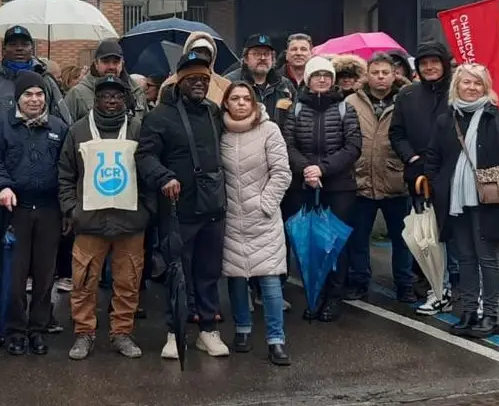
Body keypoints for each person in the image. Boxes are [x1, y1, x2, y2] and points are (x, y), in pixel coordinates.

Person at [137, 51, 231, 360]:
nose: (199, 84)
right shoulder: (159, 116)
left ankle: (207, 329)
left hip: (213, 207)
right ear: (179, 80)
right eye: (192, 79)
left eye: (204, 79)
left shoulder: (213, 112)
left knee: (208, 271)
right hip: (178, 209)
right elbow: (145, 156)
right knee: (177, 272)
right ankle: (173, 332)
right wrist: (163, 177)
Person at [424, 63, 499, 338]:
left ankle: (490, 316)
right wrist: (435, 187)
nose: (471, 88)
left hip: (489, 200)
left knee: (488, 259)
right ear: (456, 86)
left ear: (485, 87)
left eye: (477, 83)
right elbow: (433, 157)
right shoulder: (446, 119)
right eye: (466, 82)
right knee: (465, 259)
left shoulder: (498, 118)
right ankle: (469, 312)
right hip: (454, 202)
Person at [58, 75, 149, 360]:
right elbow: (65, 174)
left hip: (130, 222)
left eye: (118, 96)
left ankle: (122, 332)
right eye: (106, 96)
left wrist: (146, 210)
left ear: (125, 99)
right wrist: (72, 209)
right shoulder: (78, 130)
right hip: (90, 223)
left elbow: (149, 171)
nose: (112, 101)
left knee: (128, 282)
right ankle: (84, 333)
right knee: (83, 281)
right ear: (95, 99)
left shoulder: (137, 128)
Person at [0, 70, 68, 356]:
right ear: (18, 98)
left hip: (49, 211)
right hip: (14, 210)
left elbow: (68, 169)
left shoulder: (58, 128)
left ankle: (38, 329)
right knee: (14, 277)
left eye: (39, 94)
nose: (34, 99)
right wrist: (2, 187)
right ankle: (15, 330)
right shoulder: (1, 127)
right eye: (28, 94)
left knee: (45, 276)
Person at [281, 56, 362, 322]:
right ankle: (314, 295)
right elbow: (288, 144)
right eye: (317, 75)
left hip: (339, 187)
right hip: (303, 185)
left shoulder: (345, 109)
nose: (322, 80)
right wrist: (306, 169)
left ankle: (333, 298)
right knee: (309, 244)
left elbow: (353, 147)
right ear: (308, 79)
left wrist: (323, 169)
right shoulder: (295, 109)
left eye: (327, 76)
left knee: (335, 244)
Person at [219, 82, 292, 366]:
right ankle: (243, 330)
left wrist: (265, 204)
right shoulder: (220, 132)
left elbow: (282, 172)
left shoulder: (269, 130)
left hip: (263, 217)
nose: (240, 103)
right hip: (231, 217)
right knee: (237, 278)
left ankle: (276, 340)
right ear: (226, 103)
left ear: (253, 102)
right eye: (234, 98)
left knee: (270, 280)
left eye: (246, 98)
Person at [389, 41, 456, 315]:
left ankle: (459, 289)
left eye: (434, 62)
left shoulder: (457, 92)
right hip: (419, 177)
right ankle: (437, 289)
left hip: (452, 175)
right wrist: (411, 157)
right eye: (424, 63)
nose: (429, 67)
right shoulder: (407, 95)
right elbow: (397, 133)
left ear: (443, 64)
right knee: (428, 237)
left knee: (454, 236)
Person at [344, 53, 414, 304]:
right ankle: (359, 281)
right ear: (367, 75)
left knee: (402, 240)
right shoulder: (351, 101)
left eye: (386, 72)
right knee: (358, 238)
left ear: (394, 74)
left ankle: (405, 284)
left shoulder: (407, 100)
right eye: (375, 72)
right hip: (360, 181)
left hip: (396, 180)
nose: (381, 77)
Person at [0, 25, 66, 121]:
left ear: (32, 48)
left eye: (25, 44)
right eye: (13, 44)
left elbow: (61, 118)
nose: (19, 48)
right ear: (4, 48)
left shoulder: (45, 79)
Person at [60, 40, 148, 125]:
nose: (111, 67)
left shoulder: (135, 92)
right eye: (105, 62)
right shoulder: (78, 94)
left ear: (122, 63)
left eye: (116, 62)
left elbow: (146, 128)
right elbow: (66, 131)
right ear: (96, 64)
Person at [225, 34, 296, 127]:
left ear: (272, 58)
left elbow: (293, 119)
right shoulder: (230, 82)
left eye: (266, 54)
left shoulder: (284, 85)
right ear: (245, 58)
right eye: (256, 53)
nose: (262, 58)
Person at [157, 31, 233, 106]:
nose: (203, 56)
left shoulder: (224, 85)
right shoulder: (169, 84)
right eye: (198, 52)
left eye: (207, 53)